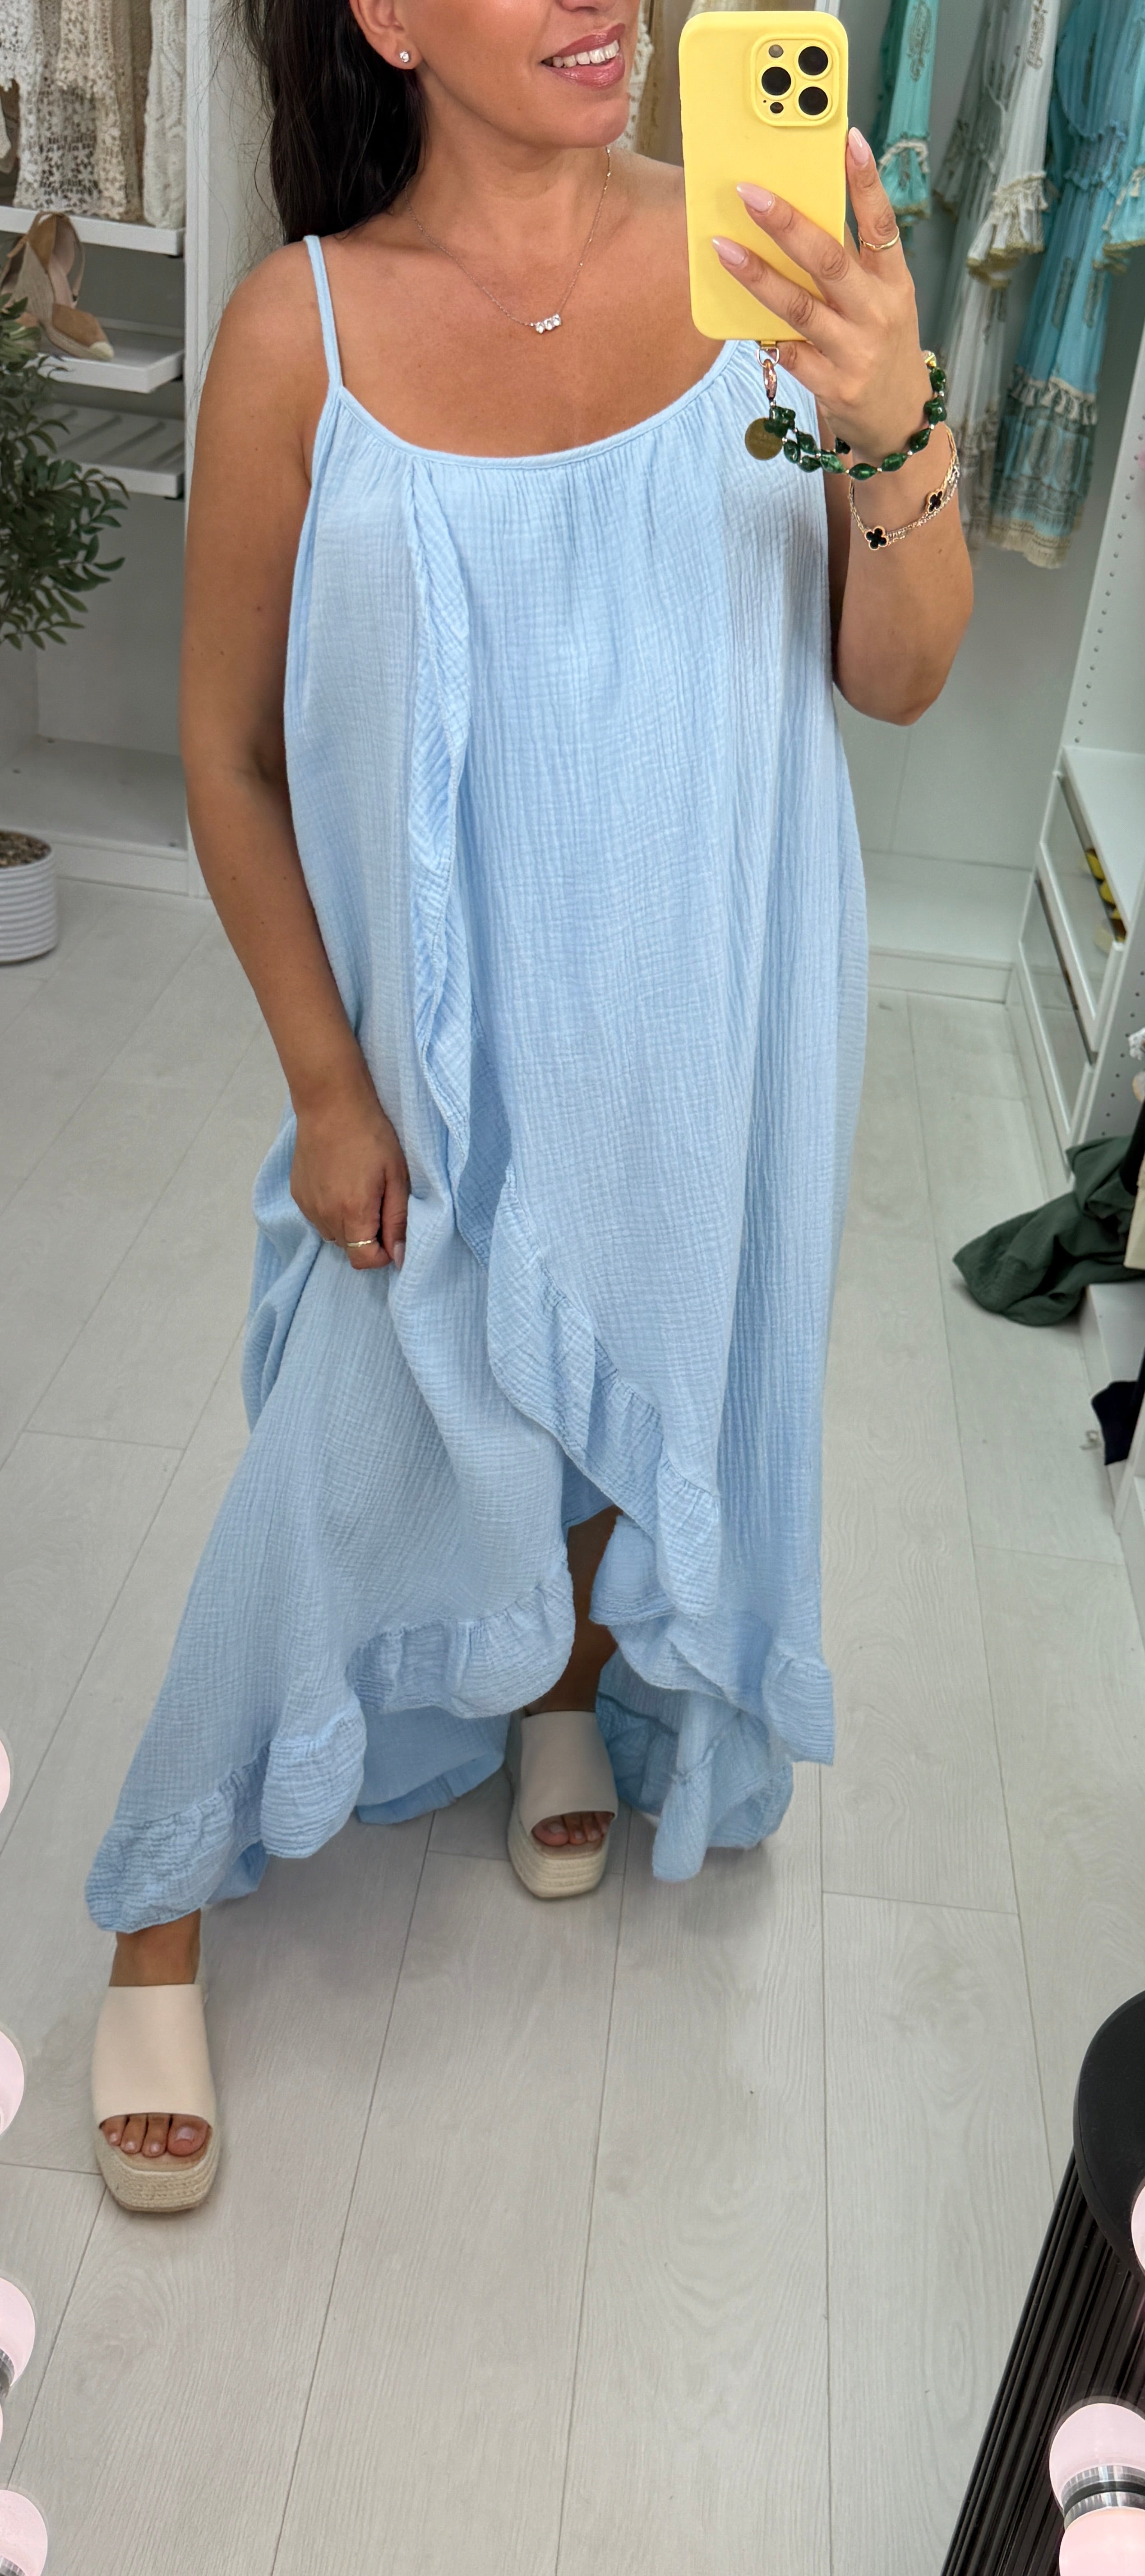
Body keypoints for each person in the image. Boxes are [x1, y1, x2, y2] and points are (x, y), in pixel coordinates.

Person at [85, 0, 973, 2213]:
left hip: (718, 1002)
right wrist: (324, 1081)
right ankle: (158, 1900)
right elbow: (227, 754)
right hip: (438, 1049)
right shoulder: (299, 337)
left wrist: (892, 416)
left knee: (647, 1344)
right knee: (356, 1428)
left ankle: (564, 1690)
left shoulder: (768, 266)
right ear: (385, 14)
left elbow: (898, 672)